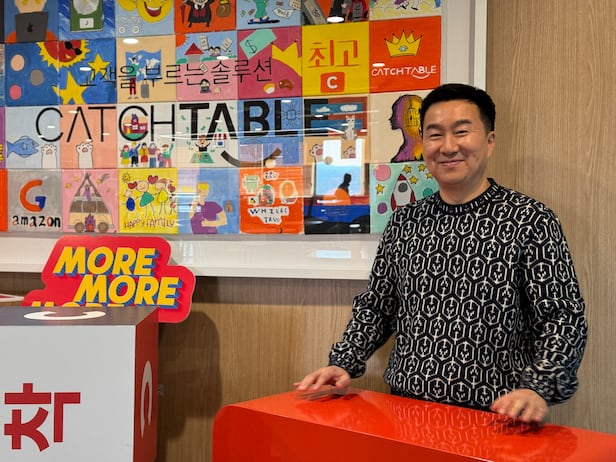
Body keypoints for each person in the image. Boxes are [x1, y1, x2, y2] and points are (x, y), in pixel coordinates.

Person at [295, 83, 588, 424]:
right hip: (405, 414)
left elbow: (562, 317)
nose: (448, 147)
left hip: (498, 419)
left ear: (490, 141)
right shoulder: (405, 221)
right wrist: (343, 361)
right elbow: (378, 305)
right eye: (435, 135)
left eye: (461, 132)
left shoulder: (529, 219)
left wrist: (539, 387)